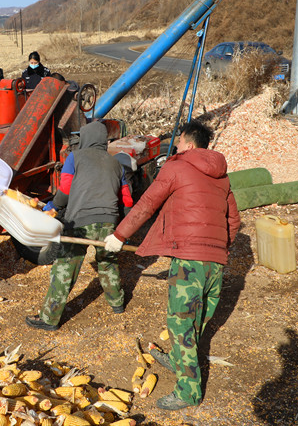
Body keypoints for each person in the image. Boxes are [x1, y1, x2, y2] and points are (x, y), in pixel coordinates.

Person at [106, 121, 240, 411]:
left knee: (181, 326)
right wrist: (218, 249)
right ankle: (180, 361)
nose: (176, 146)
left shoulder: (175, 167)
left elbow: (147, 204)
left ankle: (189, 392)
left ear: (190, 144)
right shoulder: (222, 176)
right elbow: (234, 221)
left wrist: (119, 235)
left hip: (190, 261)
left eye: (179, 141)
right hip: (216, 264)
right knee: (198, 320)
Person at [25, 121, 134, 331]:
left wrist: (53, 206)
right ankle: (117, 303)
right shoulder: (116, 164)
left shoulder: (75, 157)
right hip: (109, 222)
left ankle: (49, 318)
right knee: (107, 261)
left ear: (84, 138)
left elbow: (65, 190)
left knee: (66, 266)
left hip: (80, 223)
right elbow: (127, 200)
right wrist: (125, 227)